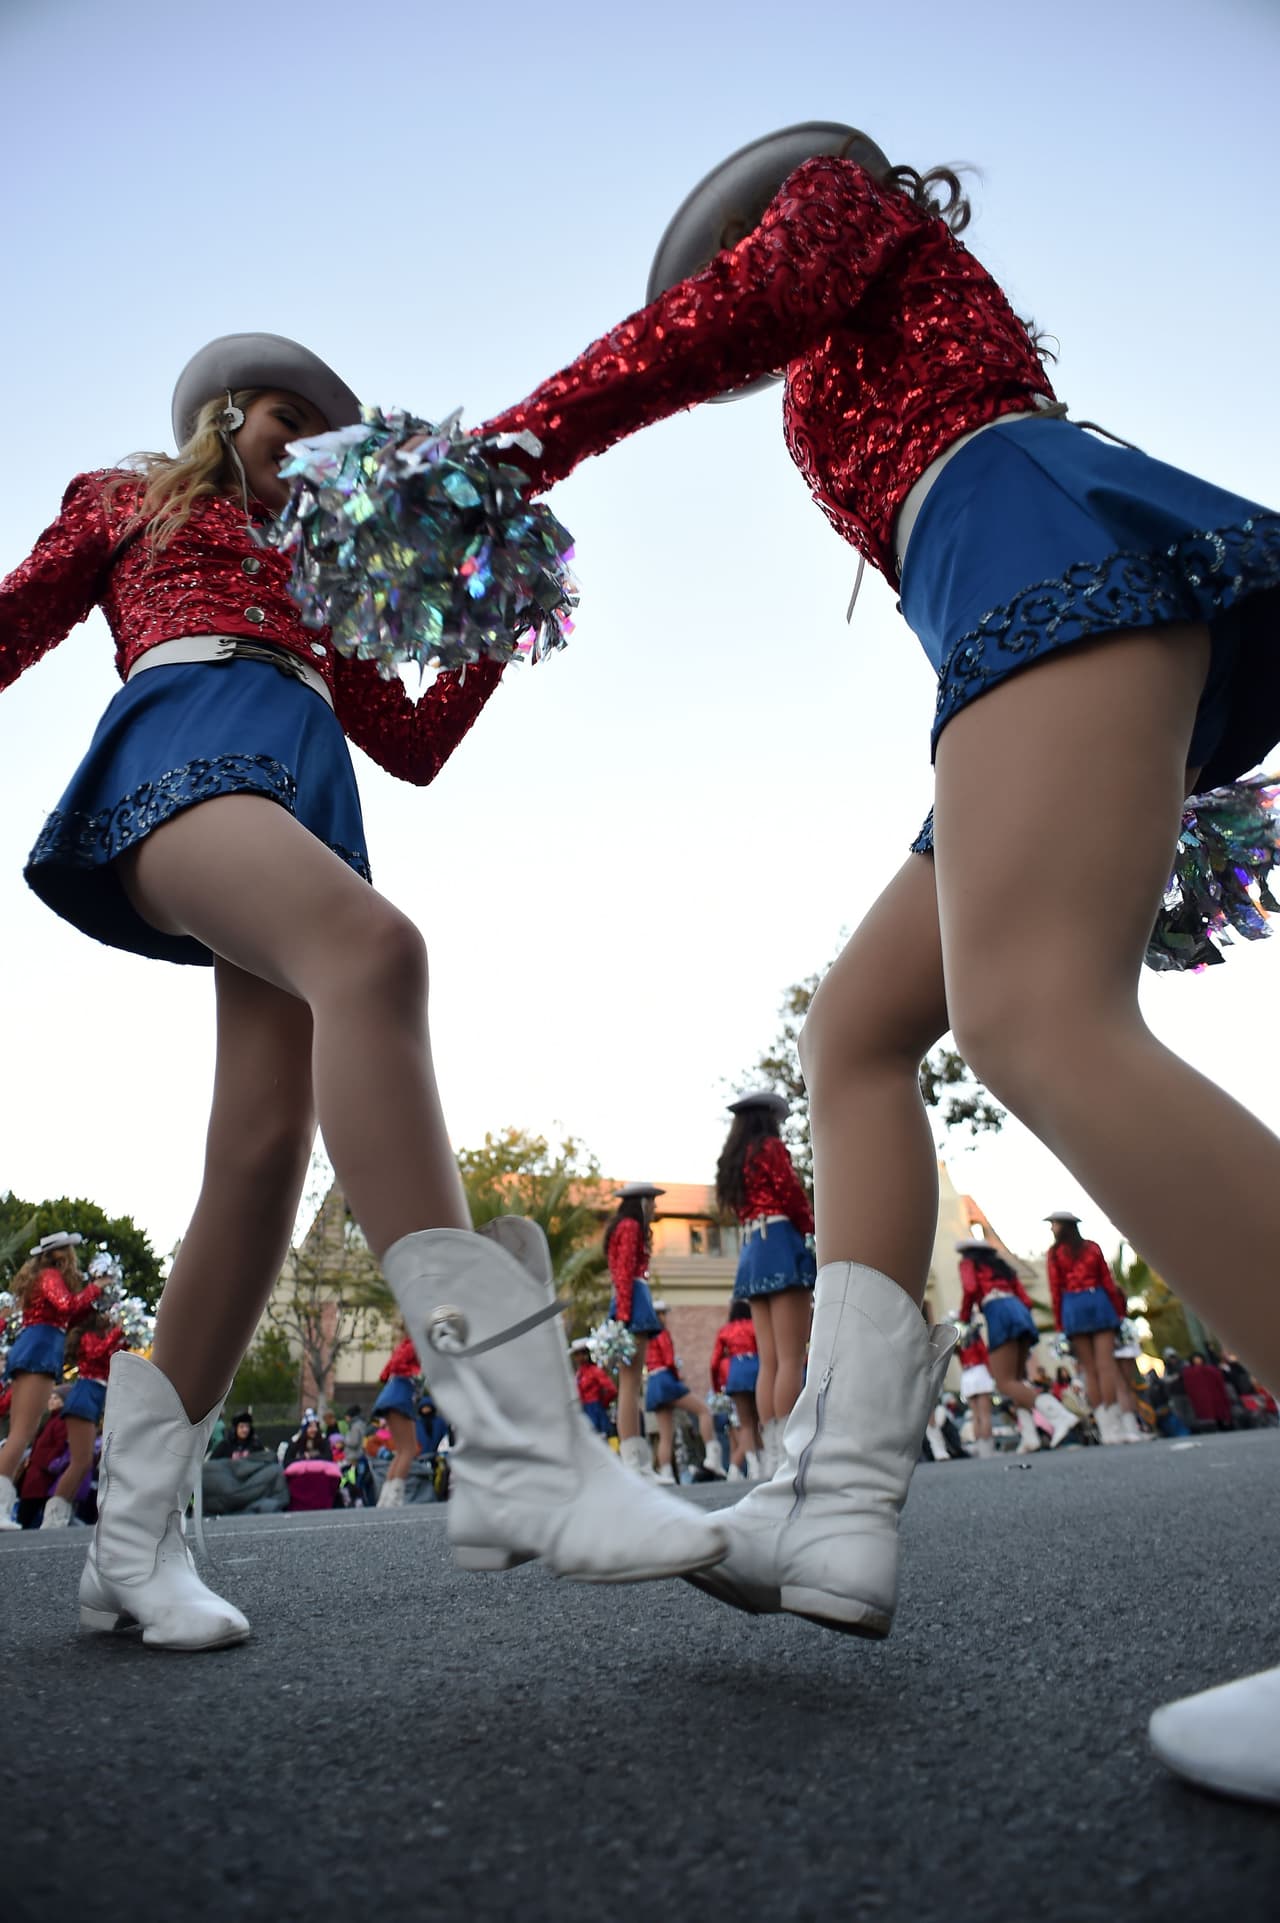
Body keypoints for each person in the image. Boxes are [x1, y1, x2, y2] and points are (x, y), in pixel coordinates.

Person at [473, 119, 1280, 1797]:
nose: (718, 289)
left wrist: (505, 452)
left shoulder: (839, 214)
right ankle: (834, 1496)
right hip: (1013, 596)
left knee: (1037, 1017)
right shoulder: (852, 340)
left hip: (1039, 564)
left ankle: (834, 1486)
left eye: (726, 260)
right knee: (860, 1032)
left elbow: (735, 316)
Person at [0, 332, 725, 1645]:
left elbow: (414, 742)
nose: (304, 446)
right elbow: (18, 615)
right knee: (377, 954)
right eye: (286, 415)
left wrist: (496, 615)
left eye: (328, 435)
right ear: (226, 412)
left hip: (302, 793)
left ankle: (133, 1534)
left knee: (264, 1152)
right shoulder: (125, 498)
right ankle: (517, 1440)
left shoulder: (333, 574)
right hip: (185, 746)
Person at [714, 1091, 815, 1474]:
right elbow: (791, 1196)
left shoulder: (734, 1161)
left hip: (751, 1251)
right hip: (781, 1244)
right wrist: (812, 1227)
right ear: (769, 1118)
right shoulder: (770, 1148)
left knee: (768, 1360)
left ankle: (774, 1455)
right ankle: (791, 1453)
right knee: (791, 1357)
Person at [0, 1231, 102, 1529]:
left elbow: (68, 1315)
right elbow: (67, 1306)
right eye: (70, 1251)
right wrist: (95, 1288)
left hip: (37, 1347)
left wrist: (91, 1299)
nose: (73, 1257)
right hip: (40, 1349)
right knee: (22, 1433)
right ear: (60, 1254)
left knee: (21, 1432)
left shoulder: (42, 1276)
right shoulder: (50, 1275)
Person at [956, 1241, 1076, 1454]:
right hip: (1021, 1314)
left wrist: (964, 1317)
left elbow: (971, 1289)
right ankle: (1030, 1436)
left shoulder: (969, 1264)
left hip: (999, 1314)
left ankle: (1060, 1416)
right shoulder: (1002, 1267)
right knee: (1018, 1380)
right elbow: (1025, 1298)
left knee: (1004, 1382)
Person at [1046, 1213, 1141, 1444]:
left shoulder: (1055, 1254)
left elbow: (1055, 1290)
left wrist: (1060, 1324)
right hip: (1098, 1303)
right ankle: (1116, 1423)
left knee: (1089, 1370)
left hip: (1073, 1307)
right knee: (1106, 1366)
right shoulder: (1091, 1248)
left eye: (1054, 1225)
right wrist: (1119, 1314)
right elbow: (1107, 1281)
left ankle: (1106, 1428)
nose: (1052, 1229)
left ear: (1063, 1227)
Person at [42, 1310, 128, 1528]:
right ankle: (51, 1517)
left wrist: (126, 1337)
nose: (110, 1321)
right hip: (83, 1398)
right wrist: (117, 1330)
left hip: (93, 1399)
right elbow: (97, 1352)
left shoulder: (103, 1338)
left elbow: (112, 1359)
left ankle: (62, 1511)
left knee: (85, 1462)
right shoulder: (89, 1338)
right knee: (80, 1461)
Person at [603, 1182, 666, 1481]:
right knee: (628, 1387)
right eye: (652, 1202)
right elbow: (624, 1273)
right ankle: (634, 1464)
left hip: (630, 1303)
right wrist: (624, 1319)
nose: (655, 1208)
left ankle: (638, 1462)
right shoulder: (630, 1227)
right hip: (632, 1304)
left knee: (630, 1387)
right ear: (641, 1202)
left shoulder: (625, 1226)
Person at [643, 1300, 725, 1483]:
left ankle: (666, 1473)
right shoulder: (662, 1334)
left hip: (653, 1383)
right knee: (703, 1410)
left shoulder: (645, 1337)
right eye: (662, 1314)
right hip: (666, 1380)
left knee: (666, 1434)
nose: (664, 1317)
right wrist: (678, 1378)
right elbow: (669, 1360)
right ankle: (713, 1456)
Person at [369, 1330, 425, 1509]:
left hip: (392, 1397)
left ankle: (386, 1496)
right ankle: (394, 1497)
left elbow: (385, 1374)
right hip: (400, 1398)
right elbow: (396, 1365)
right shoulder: (414, 1344)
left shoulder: (407, 1344)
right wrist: (412, 1372)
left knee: (402, 1450)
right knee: (408, 1449)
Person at [708, 1299, 763, 1478]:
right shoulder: (755, 1325)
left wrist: (717, 1387)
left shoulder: (725, 1331)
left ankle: (753, 1465)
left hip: (736, 1375)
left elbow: (714, 1363)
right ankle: (767, 1460)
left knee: (745, 1423)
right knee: (760, 1420)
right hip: (757, 1370)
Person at [12, 1388, 69, 1528]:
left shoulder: (61, 1421)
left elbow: (59, 1447)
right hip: (36, 1474)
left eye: (56, 1398)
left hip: (42, 1476)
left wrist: (40, 1460)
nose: (51, 1400)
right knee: (28, 1516)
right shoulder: (51, 1419)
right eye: (51, 1397)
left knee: (25, 1517)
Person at [954, 1318, 997, 1458]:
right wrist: (992, 1373)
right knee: (985, 1415)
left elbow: (960, 1358)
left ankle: (979, 1447)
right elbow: (984, 1354)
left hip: (967, 1374)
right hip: (979, 1371)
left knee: (975, 1415)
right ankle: (987, 1449)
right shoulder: (974, 1336)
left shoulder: (959, 1340)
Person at [570, 1338, 618, 1440]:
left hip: (595, 1411)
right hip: (583, 1412)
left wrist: (602, 1403)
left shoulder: (595, 1371)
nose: (579, 1357)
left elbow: (612, 1390)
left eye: (582, 1353)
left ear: (587, 1354)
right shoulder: (577, 1374)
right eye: (577, 1355)